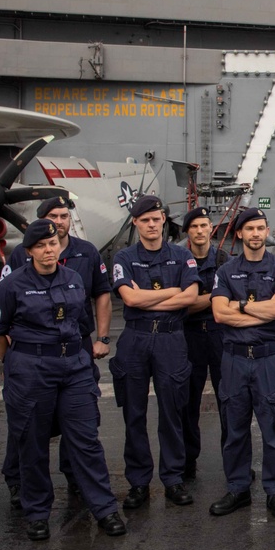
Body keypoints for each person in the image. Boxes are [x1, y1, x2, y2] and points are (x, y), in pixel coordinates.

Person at [0, 220, 126, 540]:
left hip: (74, 365)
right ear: (29, 251)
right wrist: (9, 363)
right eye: (40, 246)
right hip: (31, 368)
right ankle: (38, 512)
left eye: (52, 243)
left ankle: (105, 508)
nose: (48, 250)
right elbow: (0, 333)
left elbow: (79, 322)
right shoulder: (11, 285)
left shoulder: (72, 279)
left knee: (85, 440)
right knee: (33, 441)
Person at [109, 194, 199, 510]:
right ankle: (138, 483)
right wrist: (172, 292)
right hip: (135, 339)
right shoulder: (123, 258)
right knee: (134, 413)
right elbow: (129, 301)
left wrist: (151, 296)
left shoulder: (182, 256)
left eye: (156, 219)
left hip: (171, 340)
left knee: (172, 411)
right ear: (135, 222)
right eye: (144, 220)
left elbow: (190, 296)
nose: (151, 224)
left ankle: (173, 479)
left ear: (163, 220)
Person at [209, 208, 275, 518]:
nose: (256, 234)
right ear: (240, 234)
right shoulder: (225, 271)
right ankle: (238, 488)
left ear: (266, 230)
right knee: (235, 430)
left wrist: (241, 306)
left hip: (268, 359)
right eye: (250, 229)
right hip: (233, 361)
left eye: (261, 228)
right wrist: (262, 309)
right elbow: (219, 314)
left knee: (274, 429)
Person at [180, 207, 228, 481]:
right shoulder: (178, 261)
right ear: (188, 231)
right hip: (189, 336)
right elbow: (181, 307)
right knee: (188, 400)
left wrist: (199, 299)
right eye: (194, 226)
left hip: (220, 334)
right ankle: (187, 460)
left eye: (204, 225)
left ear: (212, 228)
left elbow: (232, 299)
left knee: (229, 398)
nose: (200, 231)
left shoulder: (224, 259)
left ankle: (234, 459)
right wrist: (214, 297)